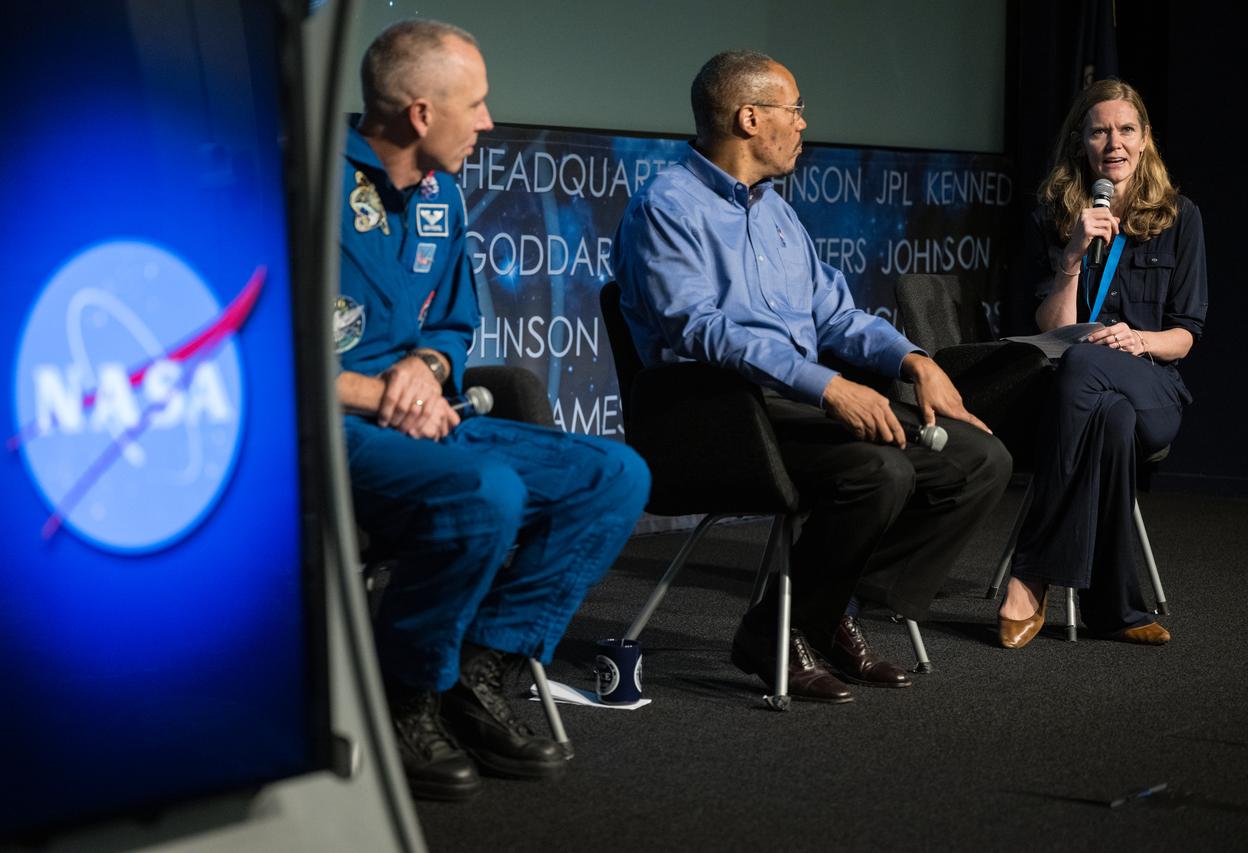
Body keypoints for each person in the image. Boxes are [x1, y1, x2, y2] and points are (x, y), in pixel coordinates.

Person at [611, 51, 1011, 702]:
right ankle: (806, 619)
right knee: (881, 470)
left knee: (978, 460)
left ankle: (816, 613)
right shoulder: (667, 205)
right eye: (793, 109)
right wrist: (826, 384)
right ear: (749, 117)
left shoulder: (776, 212)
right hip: (716, 415)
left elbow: (837, 315)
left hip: (795, 406)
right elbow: (698, 330)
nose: (802, 124)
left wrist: (916, 360)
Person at [336, 20, 649, 800]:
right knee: (488, 491)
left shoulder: (440, 193)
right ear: (419, 114)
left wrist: (425, 364)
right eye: (474, 104)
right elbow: (248, 351)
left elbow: (451, 322)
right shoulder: (301, 187)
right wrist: (379, 392)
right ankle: (404, 691)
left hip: (427, 416)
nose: (486, 121)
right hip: (321, 427)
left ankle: (477, 670)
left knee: (611, 473)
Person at [997, 79, 1206, 648]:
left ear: (1144, 140)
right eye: (1099, 130)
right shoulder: (1053, 216)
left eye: (1125, 129)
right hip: (1082, 391)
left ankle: (1032, 569)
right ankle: (1115, 608)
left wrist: (1138, 342)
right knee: (1104, 411)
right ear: (1081, 143)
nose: (1113, 142)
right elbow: (1051, 327)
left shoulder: (1180, 217)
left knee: (1092, 371)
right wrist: (1072, 255)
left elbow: (1186, 336)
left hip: (1154, 389)